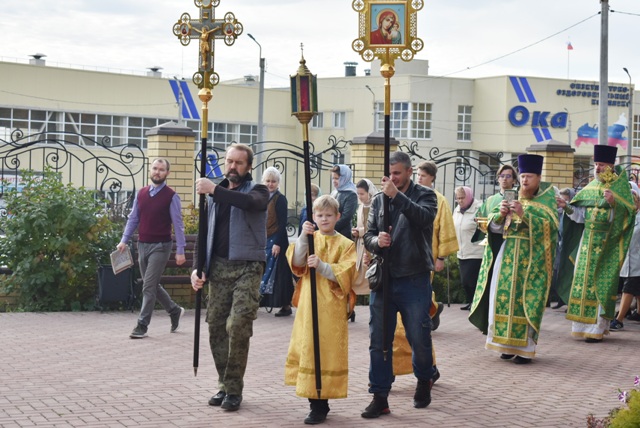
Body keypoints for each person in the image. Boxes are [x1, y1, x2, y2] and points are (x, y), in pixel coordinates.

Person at [190, 143, 269, 412]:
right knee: (215, 327)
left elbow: (251, 203)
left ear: (249, 166)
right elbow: (203, 233)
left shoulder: (258, 190)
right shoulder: (213, 195)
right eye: (229, 161)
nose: (232, 167)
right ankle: (224, 384)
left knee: (238, 325)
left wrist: (214, 189)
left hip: (247, 267)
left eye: (239, 162)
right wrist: (198, 268)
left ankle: (234, 389)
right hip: (219, 268)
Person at [361, 151, 438, 418]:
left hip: (414, 277)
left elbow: (423, 218)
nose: (392, 178)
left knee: (419, 336)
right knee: (379, 340)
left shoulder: (425, 195)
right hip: (384, 278)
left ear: (408, 172)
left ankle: (425, 378)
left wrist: (397, 196)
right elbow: (368, 235)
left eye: (397, 173)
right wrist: (376, 242)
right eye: (390, 173)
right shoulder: (379, 199)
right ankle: (379, 395)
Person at [469, 154, 558, 364]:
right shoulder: (511, 196)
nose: (525, 180)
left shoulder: (547, 199)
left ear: (538, 177)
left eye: (529, 176)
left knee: (525, 303)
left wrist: (525, 215)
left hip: (531, 262)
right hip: (507, 256)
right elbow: (492, 226)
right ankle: (505, 345)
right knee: (501, 300)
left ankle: (525, 350)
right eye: (523, 176)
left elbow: (551, 228)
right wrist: (500, 215)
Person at [285, 195, 357, 425]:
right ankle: (314, 403)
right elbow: (297, 262)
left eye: (328, 215)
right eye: (320, 215)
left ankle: (323, 399)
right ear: (314, 217)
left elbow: (347, 273)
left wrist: (323, 266)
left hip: (331, 308)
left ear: (338, 216)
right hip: (309, 303)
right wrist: (303, 237)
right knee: (309, 348)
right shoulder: (311, 238)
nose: (324, 219)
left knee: (326, 352)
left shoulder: (346, 244)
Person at [557, 145, 635, 343]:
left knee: (601, 285)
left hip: (607, 245)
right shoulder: (590, 188)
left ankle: (597, 328)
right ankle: (581, 326)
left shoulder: (620, 188)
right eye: (596, 164)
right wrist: (566, 207)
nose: (598, 168)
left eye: (602, 164)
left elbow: (628, 217)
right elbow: (580, 216)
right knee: (583, 284)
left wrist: (614, 203)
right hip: (586, 244)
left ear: (611, 166)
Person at [391, 160, 458, 382]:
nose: (420, 178)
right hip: (395, 265)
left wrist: (441, 257)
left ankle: (427, 368)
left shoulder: (437, 199)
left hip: (421, 262)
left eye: (424, 175)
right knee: (396, 326)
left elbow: (444, 228)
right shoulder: (394, 194)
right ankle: (393, 368)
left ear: (431, 178)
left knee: (415, 324)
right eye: (418, 174)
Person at [118, 158, 186, 339]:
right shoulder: (141, 194)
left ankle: (142, 325)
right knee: (152, 284)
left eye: (161, 169)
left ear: (167, 173)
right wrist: (124, 240)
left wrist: (180, 250)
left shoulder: (171, 196)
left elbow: (178, 225)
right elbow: (133, 218)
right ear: (150, 170)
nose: (157, 172)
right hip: (142, 244)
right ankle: (174, 310)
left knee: (148, 286)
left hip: (161, 246)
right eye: (155, 168)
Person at [469, 164, 518, 333]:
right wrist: (481, 222)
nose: (504, 179)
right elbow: (482, 220)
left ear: (514, 180)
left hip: (511, 246)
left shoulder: (518, 199)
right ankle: (487, 320)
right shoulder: (490, 200)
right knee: (490, 283)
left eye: (508, 176)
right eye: (501, 176)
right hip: (492, 246)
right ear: (497, 179)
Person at [259, 167, 294, 317]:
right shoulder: (262, 197)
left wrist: (278, 243)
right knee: (265, 271)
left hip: (278, 240)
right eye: (268, 181)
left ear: (278, 182)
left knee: (280, 274)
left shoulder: (280, 199)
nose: (270, 184)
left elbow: (282, 222)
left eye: (273, 181)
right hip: (265, 239)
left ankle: (286, 305)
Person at [611, 188, 640, 330]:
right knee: (637, 289)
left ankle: (619, 320)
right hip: (626, 260)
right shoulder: (624, 217)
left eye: (634, 201)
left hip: (637, 261)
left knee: (628, 289)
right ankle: (638, 313)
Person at [452, 186, 484, 310]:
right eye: (458, 198)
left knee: (471, 281)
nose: (460, 201)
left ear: (469, 196)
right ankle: (472, 302)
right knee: (465, 282)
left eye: (462, 198)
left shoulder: (479, 208)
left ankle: (476, 305)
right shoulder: (457, 210)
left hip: (475, 252)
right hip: (462, 251)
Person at [548, 187, 577, 309]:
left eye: (566, 200)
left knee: (569, 273)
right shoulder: (558, 211)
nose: (563, 203)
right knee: (559, 271)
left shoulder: (573, 210)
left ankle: (568, 300)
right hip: (560, 245)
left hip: (570, 245)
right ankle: (561, 298)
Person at [351, 178, 377, 296]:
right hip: (361, 245)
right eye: (358, 194)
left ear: (369, 192)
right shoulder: (361, 206)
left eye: (362, 194)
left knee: (371, 273)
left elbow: (375, 227)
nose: (359, 197)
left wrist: (361, 232)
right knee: (359, 274)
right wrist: (356, 231)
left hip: (372, 244)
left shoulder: (376, 205)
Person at [330, 165, 358, 240]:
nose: (334, 181)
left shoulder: (351, 194)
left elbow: (346, 218)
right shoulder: (335, 192)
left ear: (345, 178)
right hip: (331, 234)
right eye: (333, 178)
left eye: (337, 178)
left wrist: (330, 228)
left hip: (343, 235)